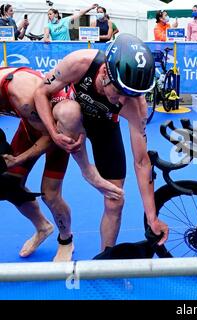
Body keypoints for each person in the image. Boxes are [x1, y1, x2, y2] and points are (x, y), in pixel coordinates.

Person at [34, 33, 169, 251]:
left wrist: (152, 218)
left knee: (115, 200)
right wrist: (53, 131)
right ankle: (88, 171)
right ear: (105, 72)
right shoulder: (79, 62)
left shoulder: (135, 106)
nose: (123, 100)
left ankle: (106, 259)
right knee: (69, 111)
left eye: (131, 94)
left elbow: (142, 162)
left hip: (105, 125)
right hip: (69, 118)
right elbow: (40, 91)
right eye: (119, 91)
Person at [0, 66, 123, 261]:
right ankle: (43, 227)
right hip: (30, 127)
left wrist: (16, 159)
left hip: (57, 132)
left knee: (50, 195)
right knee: (6, 185)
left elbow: (50, 137)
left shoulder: (21, 97)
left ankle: (66, 239)